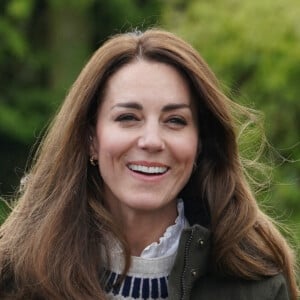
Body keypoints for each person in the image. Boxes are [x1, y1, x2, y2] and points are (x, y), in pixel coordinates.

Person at [0, 29, 298, 300]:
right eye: (128, 118)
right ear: (91, 138)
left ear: (200, 144)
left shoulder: (257, 285)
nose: (152, 141)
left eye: (175, 121)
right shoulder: (17, 276)